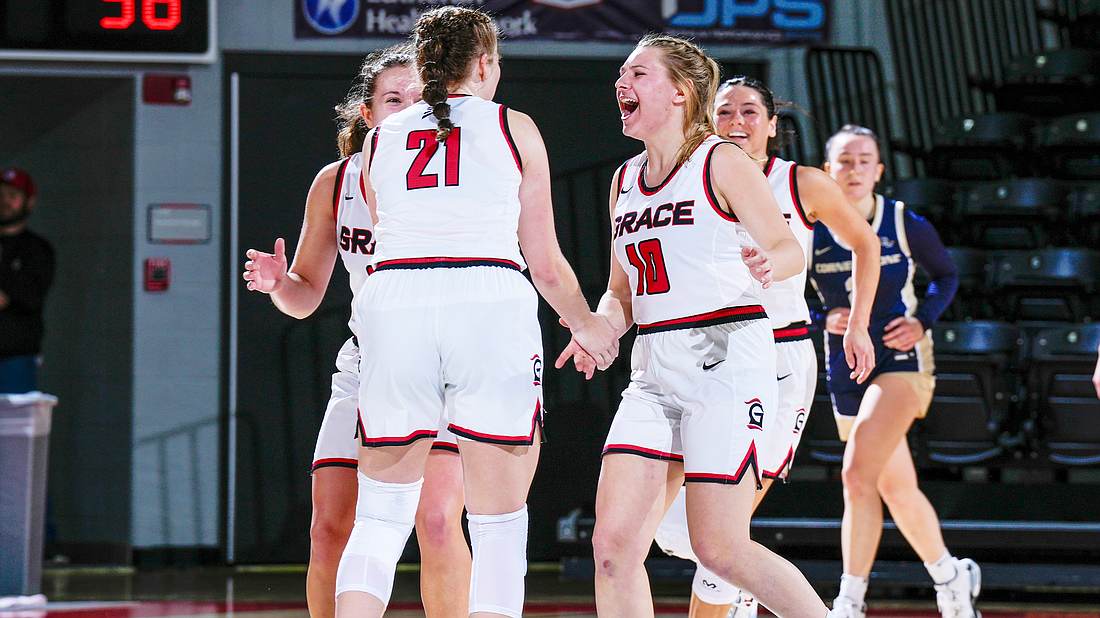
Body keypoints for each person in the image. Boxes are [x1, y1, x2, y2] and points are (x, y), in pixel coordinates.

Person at [332, 7, 618, 618]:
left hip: (394, 299)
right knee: (497, 520)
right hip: (486, 297)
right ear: (485, 63)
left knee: (381, 514)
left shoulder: (380, 137)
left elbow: (387, 232)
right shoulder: (514, 127)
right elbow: (545, 261)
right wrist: (588, 323)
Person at [562, 34, 836, 618]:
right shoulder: (624, 180)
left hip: (726, 356)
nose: (621, 84)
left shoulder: (721, 160)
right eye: (621, 74)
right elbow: (621, 293)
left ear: (681, 91)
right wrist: (598, 329)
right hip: (654, 365)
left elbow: (788, 248)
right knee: (612, 548)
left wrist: (772, 262)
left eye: (637, 73)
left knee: (720, 549)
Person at [242, 47, 471, 618]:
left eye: (421, 98)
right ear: (367, 114)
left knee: (439, 521)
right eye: (393, 99)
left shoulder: (464, 175)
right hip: (368, 364)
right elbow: (305, 295)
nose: (408, 109)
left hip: (443, 367)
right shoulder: (336, 181)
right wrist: (278, 285)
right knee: (329, 529)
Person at [652, 76, 882, 618]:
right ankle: (755, 584)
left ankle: (750, 588)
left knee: (722, 534)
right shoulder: (689, 177)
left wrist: (859, 324)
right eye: (724, 111)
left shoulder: (800, 183)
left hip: (778, 357)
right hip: (708, 352)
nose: (736, 121)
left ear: (773, 126)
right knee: (671, 530)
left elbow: (866, 245)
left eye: (750, 111)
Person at [810, 124, 978, 618]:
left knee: (857, 475)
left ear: (879, 171)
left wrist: (921, 321)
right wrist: (824, 318)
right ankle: (952, 578)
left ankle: (849, 601)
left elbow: (946, 276)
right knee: (896, 490)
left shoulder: (904, 222)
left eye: (864, 160)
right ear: (827, 170)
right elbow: (783, 294)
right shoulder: (809, 226)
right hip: (846, 365)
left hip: (900, 360)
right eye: (844, 160)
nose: (854, 169)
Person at [0, 167, 55, 394]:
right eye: (0, 195)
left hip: (15, 359)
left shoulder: (36, 249)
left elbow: (30, 296)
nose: (4, 202)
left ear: (28, 202)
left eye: (13, 196)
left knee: (11, 428)